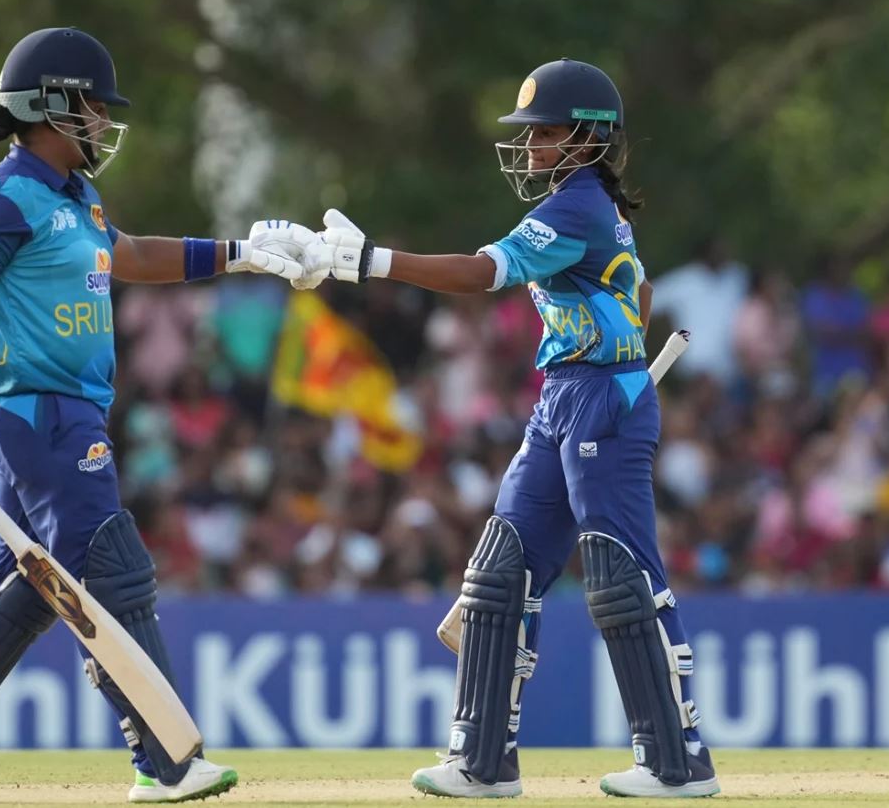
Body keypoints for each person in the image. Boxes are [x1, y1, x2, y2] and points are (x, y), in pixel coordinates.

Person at [0, 27, 318, 803]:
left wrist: (238, 253)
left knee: (21, 588)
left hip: (69, 412)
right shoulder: (4, 197)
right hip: (38, 412)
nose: (103, 121)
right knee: (113, 566)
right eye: (94, 106)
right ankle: (166, 760)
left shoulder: (74, 195)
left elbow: (129, 256)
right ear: (49, 104)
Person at [306, 59, 720, 799]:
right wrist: (618, 333)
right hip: (566, 394)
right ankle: (482, 760)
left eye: (545, 132)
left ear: (588, 138)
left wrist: (372, 261)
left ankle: (676, 760)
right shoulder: (586, 206)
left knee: (621, 574)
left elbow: (480, 274)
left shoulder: (578, 205)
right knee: (500, 574)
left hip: (603, 402)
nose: (530, 146)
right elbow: (642, 290)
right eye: (528, 133)